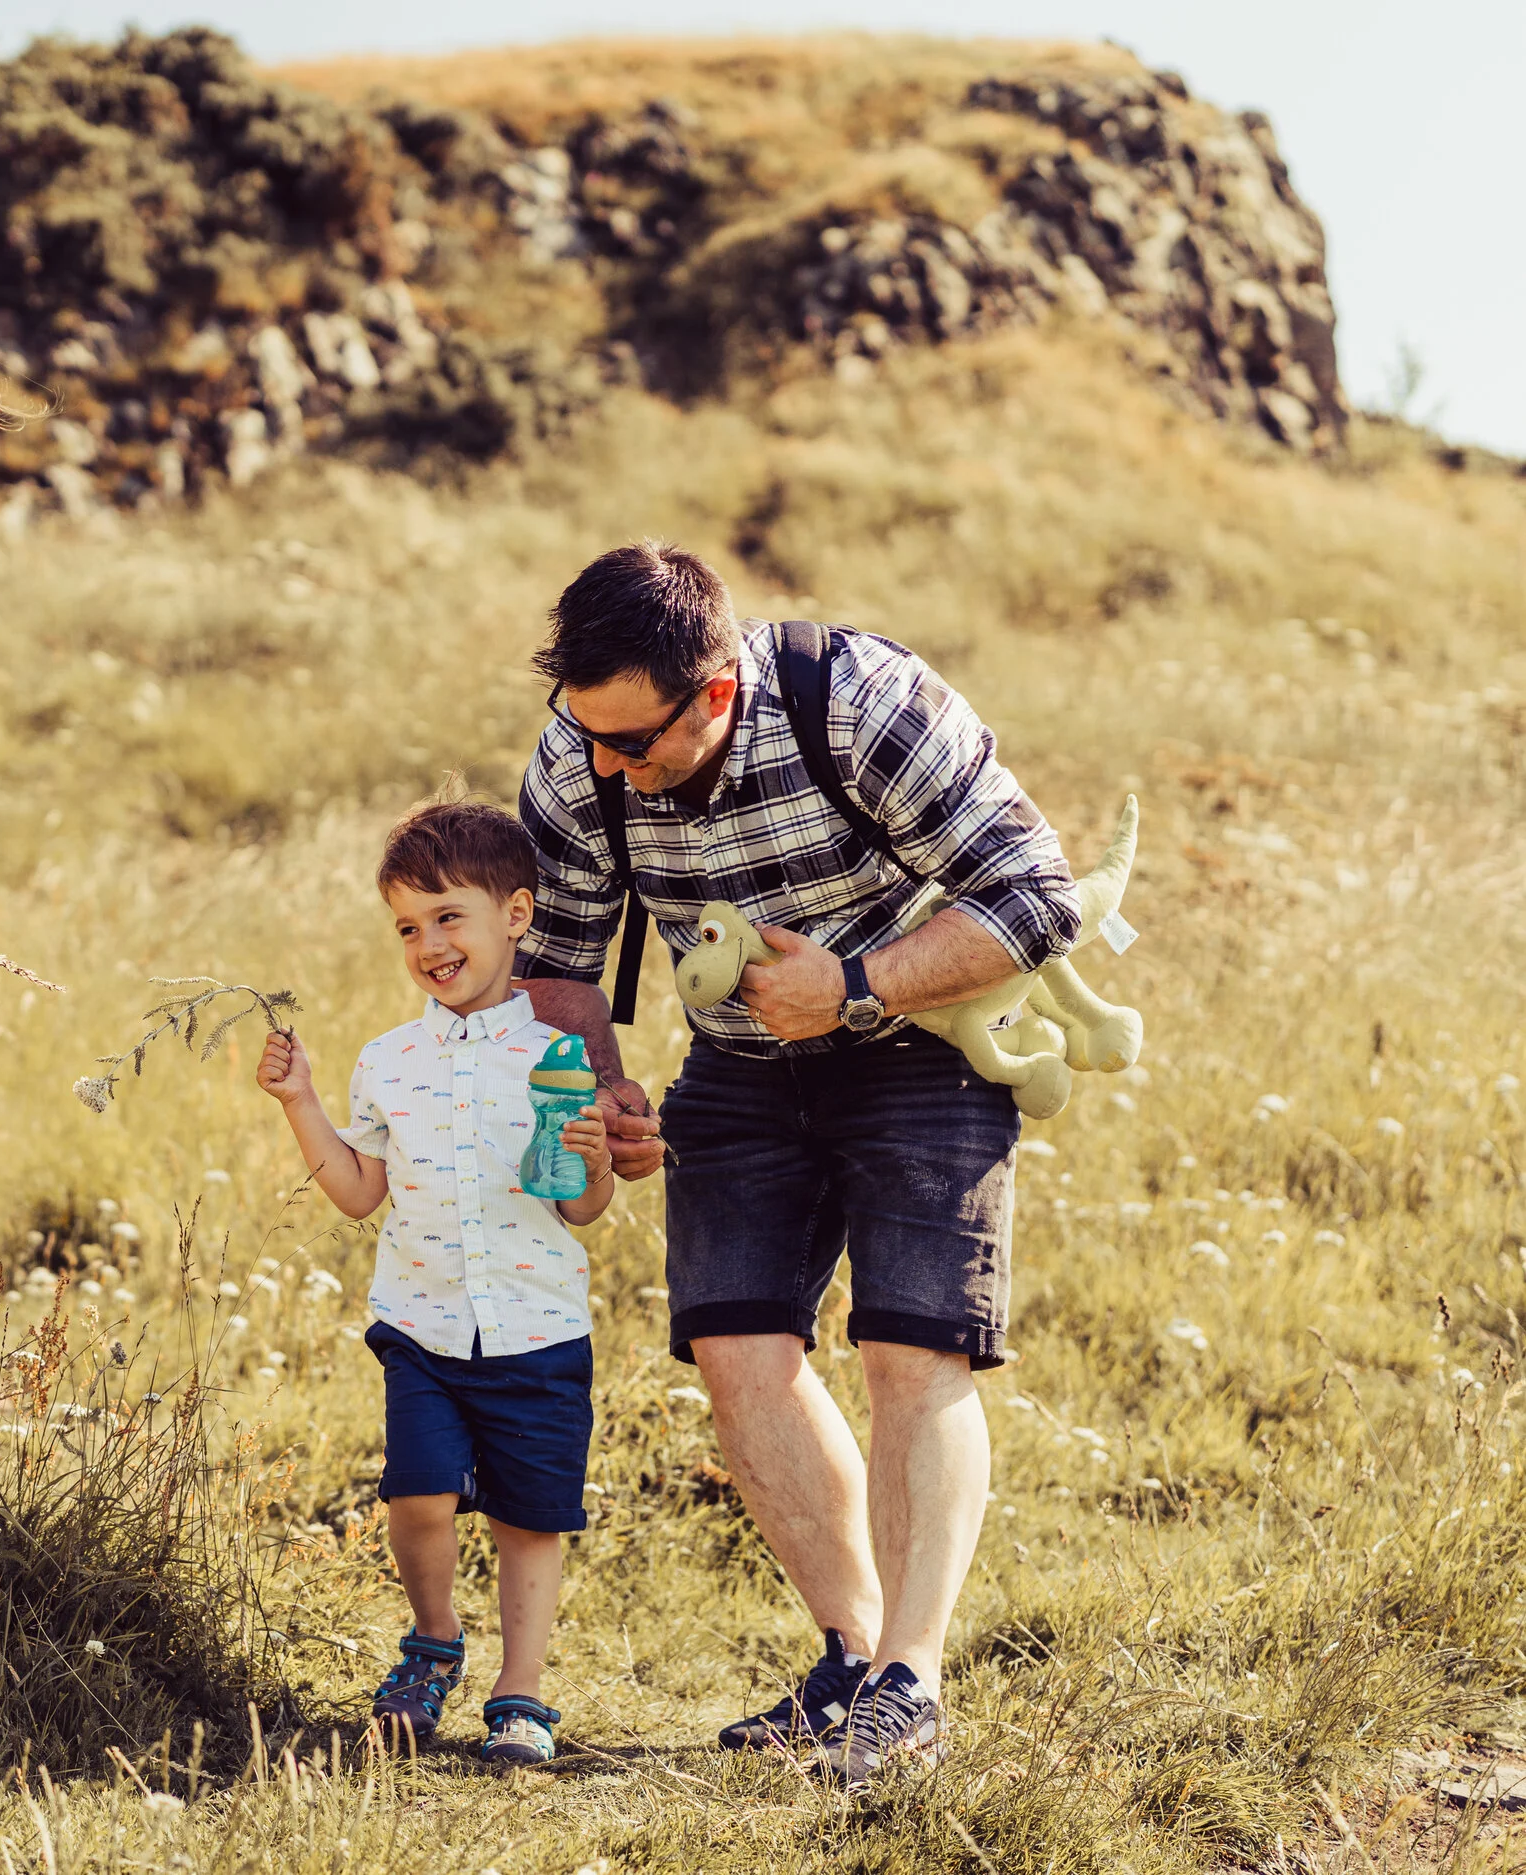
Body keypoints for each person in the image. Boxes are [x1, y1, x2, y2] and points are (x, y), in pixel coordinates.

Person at [508, 542, 1079, 1789]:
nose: (605, 764)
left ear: (712, 692)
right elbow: (559, 961)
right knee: (737, 1350)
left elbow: (1038, 895)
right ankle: (853, 1663)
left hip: (922, 1044)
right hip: (738, 1068)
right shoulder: (579, 754)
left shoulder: (861, 704)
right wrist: (599, 1086)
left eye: (632, 743)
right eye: (585, 733)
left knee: (909, 1353)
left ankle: (913, 1688)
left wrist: (854, 984)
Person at [255, 800, 614, 1767]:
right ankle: (434, 1639)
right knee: (417, 1496)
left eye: (450, 915)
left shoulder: (557, 1055)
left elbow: (579, 1209)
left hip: (537, 1327)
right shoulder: (389, 1060)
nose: (429, 943)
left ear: (517, 915)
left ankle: (522, 1692)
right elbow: (358, 1192)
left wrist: (592, 1162)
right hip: (421, 1326)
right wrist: (302, 1103)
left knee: (529, 1519)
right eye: (408, 926)